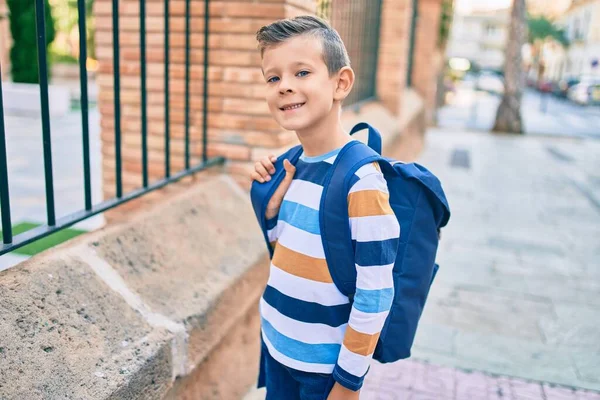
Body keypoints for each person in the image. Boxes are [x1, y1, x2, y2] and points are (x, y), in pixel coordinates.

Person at [250, 15, 400, 400]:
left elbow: (376, 292)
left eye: (301, 72)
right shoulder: (291, 165)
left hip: (323, 371)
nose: (285, 86)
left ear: (341, 83)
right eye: (273, 78)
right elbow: (286, 251)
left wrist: (348, 383)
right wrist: (270, 206)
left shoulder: (361, 180)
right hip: (277, 347)